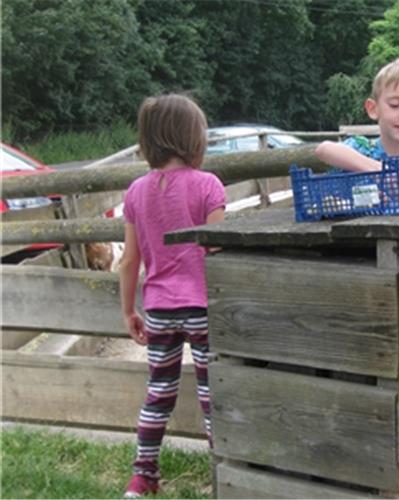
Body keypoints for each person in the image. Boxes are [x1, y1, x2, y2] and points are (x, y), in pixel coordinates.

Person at [119, 94, 225, 498]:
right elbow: (217, 252)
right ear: (192, 139)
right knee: (212, 392)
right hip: (202, 306)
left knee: (158, 392)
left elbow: (129, 261)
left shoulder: (135, 192)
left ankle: (142, 475)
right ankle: (223, 473)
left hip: (160, 308)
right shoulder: (208, 186)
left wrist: (129, 310)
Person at [314, 58, 399, 171]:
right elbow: (324, 149)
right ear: (373, 109)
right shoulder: (361, 147)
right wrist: (379, 169)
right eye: (394, 105)